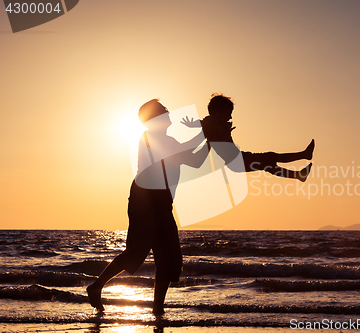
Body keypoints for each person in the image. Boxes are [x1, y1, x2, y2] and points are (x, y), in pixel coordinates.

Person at [87, 99, 207, 315]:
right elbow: (193, 157)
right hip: (146, 200)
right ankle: (97, 286)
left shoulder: (165, 140)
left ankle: (157, 309)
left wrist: (209, 136)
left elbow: (196, 159)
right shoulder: (153, 139)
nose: (169, 113)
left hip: (160, 201)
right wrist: (207, 133)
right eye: (163, 112)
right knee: (138, 252)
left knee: (168, 257)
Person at [182, 93, 314, 182]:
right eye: (228, 113)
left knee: (270, 156)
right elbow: (202, 123)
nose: (230, 117)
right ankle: (298, 174)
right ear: (218, 112)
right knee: (268, 164)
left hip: (241, 157)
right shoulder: (211, 122)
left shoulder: (218, 124)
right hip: (236, 162)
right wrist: (191, 124)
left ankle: (303, 155)